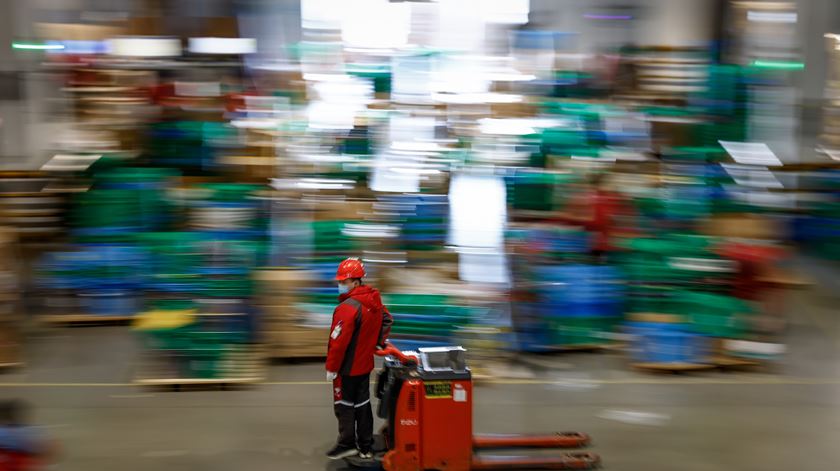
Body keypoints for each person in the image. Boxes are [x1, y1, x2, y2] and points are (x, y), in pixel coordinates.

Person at [325, 258, 393, 460]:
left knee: (344, 406)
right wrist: (379, 341)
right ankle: (365, 446)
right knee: (362, 405)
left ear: (355, 282)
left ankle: (347, 444)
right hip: (364, 366)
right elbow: (387, 319)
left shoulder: (347, 308)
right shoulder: (374, 300)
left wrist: (331, 367)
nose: (340, 285)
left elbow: (338, 342)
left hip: (346, 368)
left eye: (343, 282)